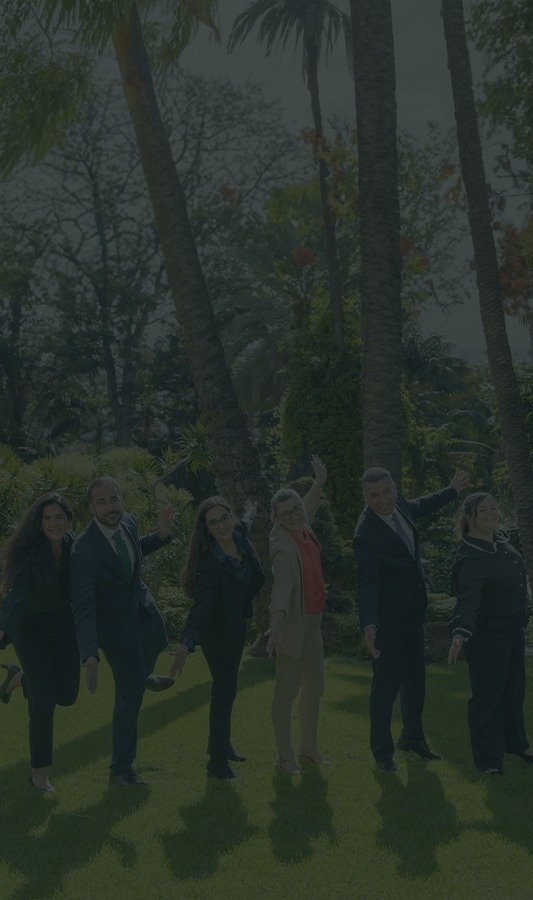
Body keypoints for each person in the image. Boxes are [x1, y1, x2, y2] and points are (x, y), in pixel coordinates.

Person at [353, 466, 469, 774]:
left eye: (387, 492)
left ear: (394, 487)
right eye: (374, 496)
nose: (382, 500)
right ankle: (382, 754)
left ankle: (412, 737)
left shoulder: (400, 502)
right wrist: (369, 624)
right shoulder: (365, 534)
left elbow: (421, 505)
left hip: (413, 615)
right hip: (387, 625)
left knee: (416, 683)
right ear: (365, 497)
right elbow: (366, 583)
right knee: (385, 690)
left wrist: (452, 490)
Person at [70, 476, 175, 786]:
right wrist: (89, 653)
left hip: (144, 612)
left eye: (113, 499)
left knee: (157, 641)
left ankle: (142, 677)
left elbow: (131, 551)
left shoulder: (127, 522)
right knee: (129, 698)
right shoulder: (83, 551)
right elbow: (85, 608)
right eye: (101, 502)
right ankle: (121, 769)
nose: (110, 507)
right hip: (116, 631)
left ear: (121, 500)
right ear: (91, 508)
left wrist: (160, 535)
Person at [169, 497, 265, 780]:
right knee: (224, 692)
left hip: (236, 627)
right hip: (217, 634)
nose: (222, 525)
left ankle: (219, 745)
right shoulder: (209, 563)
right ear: (206, 529)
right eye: (214, 522)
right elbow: (201, 607)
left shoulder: (238, 533)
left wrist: (250, 511)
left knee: (227, 689)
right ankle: (217, 762)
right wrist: (187, 643)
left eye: (225, 517)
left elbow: (246, 523)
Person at [0, 492, 80, 791]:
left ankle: (18, 678)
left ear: (68, 520)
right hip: (29, 630)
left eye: (59, 517)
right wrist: (1, 627)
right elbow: (16, 595)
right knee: (44, 700)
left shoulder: (74, 545)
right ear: (39, 522)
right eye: (47, 518)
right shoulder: (29, 552)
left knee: (68, 695)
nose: (54, 523)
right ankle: (38, 772)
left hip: (62, 630)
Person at [448, 492, 532, 774]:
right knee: (487, 697)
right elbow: (468, 600)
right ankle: (488, 761)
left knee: (513, 691)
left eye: (494, 508)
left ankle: (517, 743)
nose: (492, 513)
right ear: (469, 518)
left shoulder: (501, 541)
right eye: (484, 510)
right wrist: (460, 633)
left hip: (511, 632)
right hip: (487, 638)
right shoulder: (471, 557)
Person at [265, 455, 329, 776]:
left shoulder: (302, 523)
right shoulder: (281, 545)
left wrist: (318, 481)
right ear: (275, 518)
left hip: (314, 623)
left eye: (296, 510)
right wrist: (275, 626)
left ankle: (308, 747)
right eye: (286, 514)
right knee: (286, 692)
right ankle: (284, 756)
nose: (294, 516)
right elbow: (282, 585)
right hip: (293, 625)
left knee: (314, 688)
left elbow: (308, 505)